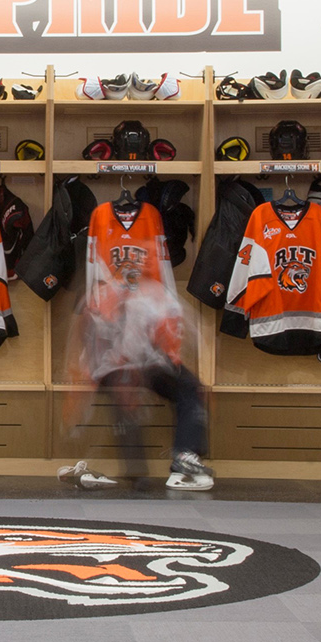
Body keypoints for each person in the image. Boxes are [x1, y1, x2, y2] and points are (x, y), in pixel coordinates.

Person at [60, 198, 214, 491]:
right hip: (112, 365)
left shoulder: (157, 293)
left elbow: (178, 336)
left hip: (147, 362)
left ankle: (185, 455)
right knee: (124, 388)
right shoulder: (103, 296)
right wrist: (85, 379)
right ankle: (136, 473)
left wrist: (174, 362)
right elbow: (89, 341)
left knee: (190, 387)